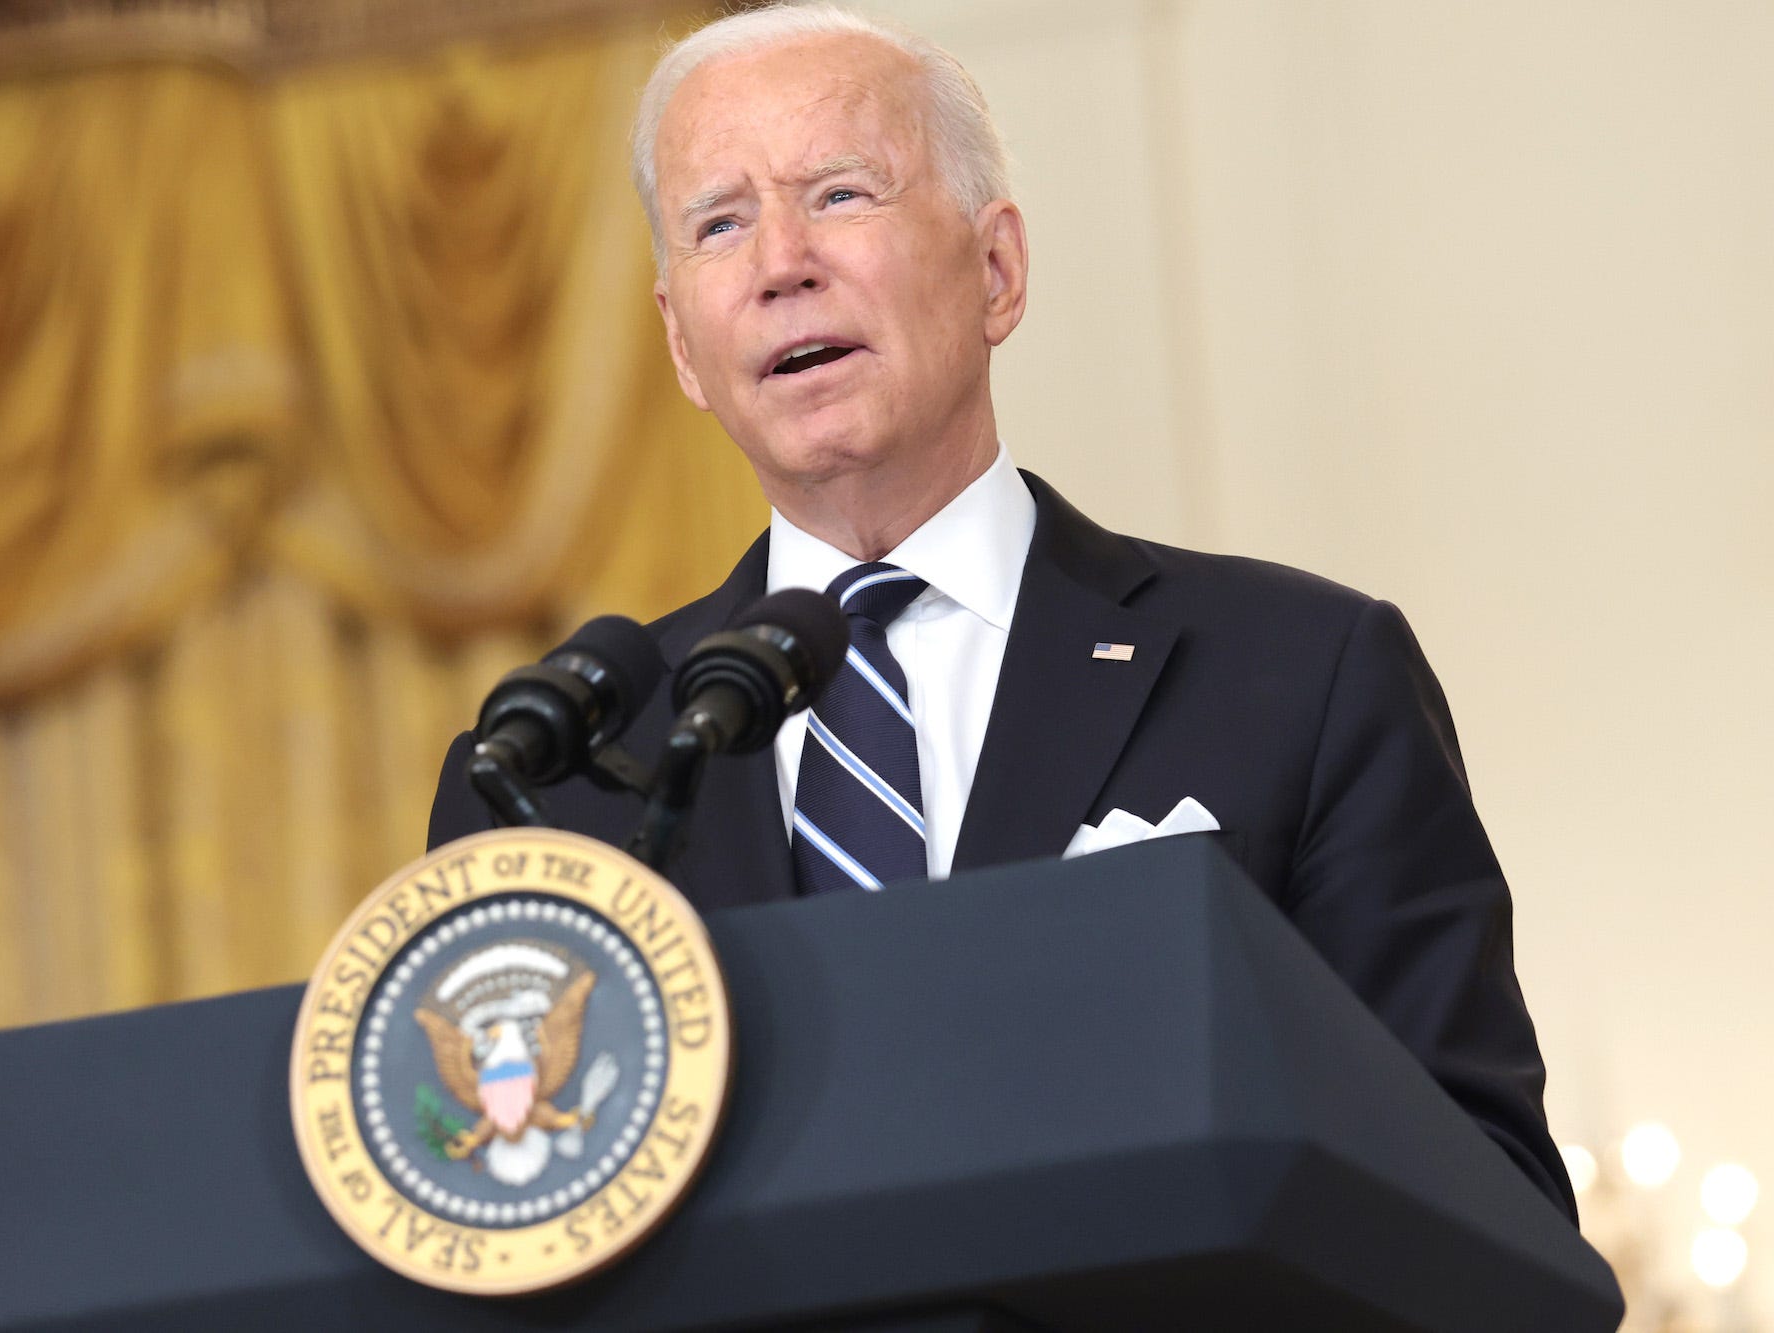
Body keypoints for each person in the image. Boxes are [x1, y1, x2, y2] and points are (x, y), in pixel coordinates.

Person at [429, 3, 1576, 1222]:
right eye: (719, 223)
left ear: (996, 270)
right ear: (680, 345)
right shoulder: (553, 788)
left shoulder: (1303, 678)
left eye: (839, 195)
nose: (779, 264)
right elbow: (485, 1227)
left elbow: (1482, 1206)